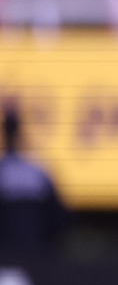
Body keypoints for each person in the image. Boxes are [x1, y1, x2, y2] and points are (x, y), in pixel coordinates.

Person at [0, 103, 69, 258]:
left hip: (32, 253)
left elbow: (59, 215)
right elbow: (60, 217)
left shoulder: (37, 170)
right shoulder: (37, 171)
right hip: (31, 252)